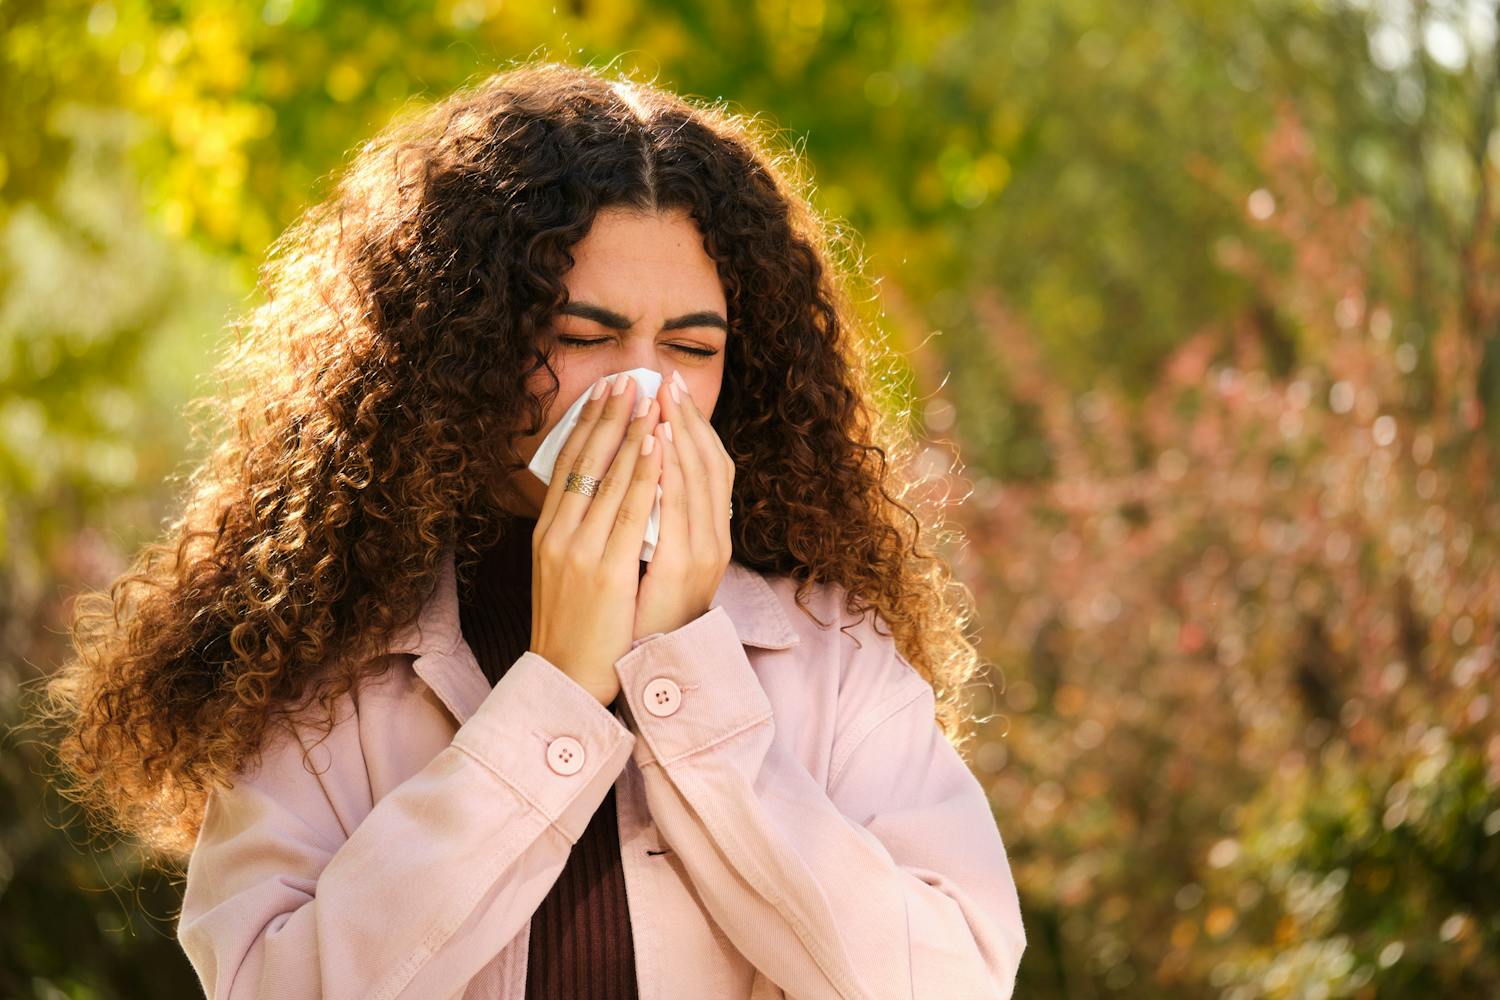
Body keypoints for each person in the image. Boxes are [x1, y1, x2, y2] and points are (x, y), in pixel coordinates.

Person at [42, 60, 1026, 998]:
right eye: (583, 337)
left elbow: (955, 976)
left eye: (691, 346)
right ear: (465, 343)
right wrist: (554, 691)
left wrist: (688, 674)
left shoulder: (829, 650)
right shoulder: (326, 669)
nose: (643, 390)